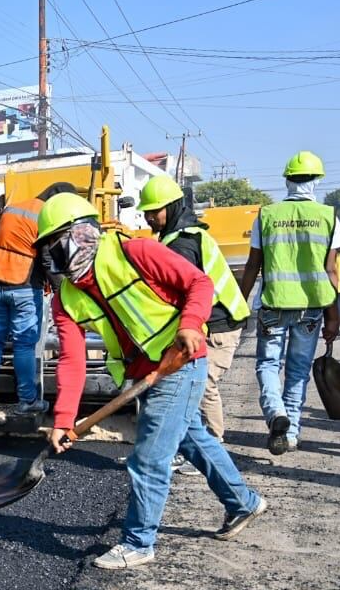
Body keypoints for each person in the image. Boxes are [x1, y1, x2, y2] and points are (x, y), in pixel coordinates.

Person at [37, 193, 266, 570]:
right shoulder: (67, 298)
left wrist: (191, 324)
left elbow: (199, 284)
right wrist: (63, 419)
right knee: (193, 439)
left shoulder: (136, 252)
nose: (54, 256)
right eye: (49, 248)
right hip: (146, 372)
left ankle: (138, 541)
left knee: (149, 457)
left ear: (83, 233)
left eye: (57, 243)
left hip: (180, 361)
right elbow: (73, 359)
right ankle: (244, 503)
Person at [239, 151, 340, 455]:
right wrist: (333, 317)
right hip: (310, 309)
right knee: (298, 370)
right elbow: (331, 270)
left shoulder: (267, 215)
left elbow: (252, 265)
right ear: (316, 181)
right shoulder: (329, 217)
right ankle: (293, 433)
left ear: (287, 180)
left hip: (273, 306)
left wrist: (239, 302)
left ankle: (276, 413)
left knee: (268, 365)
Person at [138, 174, 250, 441]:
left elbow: (188, 291)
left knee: (202, 387)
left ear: (173, 207)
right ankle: (193, 445)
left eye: (155, 211)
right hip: (210, 322)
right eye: (147, 212)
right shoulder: (179, 237)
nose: (149, 218)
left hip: (218, 324)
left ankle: (212, 444)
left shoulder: (182, 244)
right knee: (192, 385)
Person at [0, 182, 75, 415]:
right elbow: (48, 260)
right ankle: (27, 401)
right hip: (24, 286)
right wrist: (62, 290)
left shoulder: (13, 208)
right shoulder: (46, 215)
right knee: (24, 345)